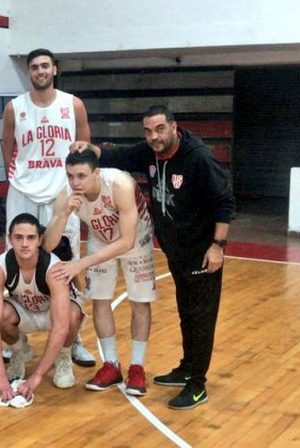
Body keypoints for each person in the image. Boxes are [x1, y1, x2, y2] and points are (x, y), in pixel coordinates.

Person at [73, 105, 235, 409]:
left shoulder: (198, 157)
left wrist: (218, 245)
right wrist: (89, 148)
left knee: (201, 318)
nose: (153, 136)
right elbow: (118, 155)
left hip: (202, 251)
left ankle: (198, 384)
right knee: (186, 312)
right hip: (177, 250)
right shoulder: (150, 152)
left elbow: (225, 201)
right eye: (147, 131)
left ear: (174, 127)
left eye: (159, 129)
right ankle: (187, 367)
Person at [1, 47, 95, 367]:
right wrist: (19, 178)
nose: (40, 71)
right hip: (23, 192)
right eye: (34, 67)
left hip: (61, 192)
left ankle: (73, 336)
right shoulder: (15, 107)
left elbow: (88, 147)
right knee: (16, 260)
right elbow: (7, 148)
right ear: (29, 72)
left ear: (54, 69)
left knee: (66, 262)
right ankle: (17, 340)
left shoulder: (73, 105)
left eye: (45, 66)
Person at [43, 149, 156, 396]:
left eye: (82, 176)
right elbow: (48, 245)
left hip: (136, 238)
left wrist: (81, 263)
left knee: (139, 301)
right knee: (100, 300)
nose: (76, 182)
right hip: (100, 237)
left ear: (97, 173)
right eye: (70, 176)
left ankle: (137, 367)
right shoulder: (67, 195)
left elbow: (126, 242)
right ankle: (111, 365)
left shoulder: (120, 184)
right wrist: (64, 214)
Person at [0, 214, 84, 403]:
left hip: (52, 314)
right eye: (18, 237)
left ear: (39, 240)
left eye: (30, 238)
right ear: (9, 239)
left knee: (71, 316)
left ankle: (63, 357)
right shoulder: (0, 266)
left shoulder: (52, 268)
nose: (24, 243)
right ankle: (19, 351)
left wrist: (37, 375)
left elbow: (61, 327)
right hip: (24, 310)